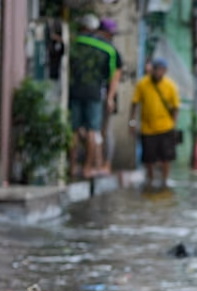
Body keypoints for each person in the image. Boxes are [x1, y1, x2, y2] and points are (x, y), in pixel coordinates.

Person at [69, 14, 122, 178]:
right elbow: (114, 75)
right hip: (94, 93)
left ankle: (72, 167)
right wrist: (110, 97)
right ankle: (87, 168)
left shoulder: (74, 41)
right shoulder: (108, 48)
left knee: (73, 129)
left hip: (74, 90)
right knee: (93, 130)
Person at [130, 58, 181, 189]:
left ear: (164, 71)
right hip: (147, 128)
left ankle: (165, 181)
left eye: (160, 70)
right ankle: (150, 179)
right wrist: (132, 122)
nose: (158, 72)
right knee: (148, 158)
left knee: (166, 157)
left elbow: (176, 107)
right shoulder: (142, 84)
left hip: (166, 127)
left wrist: (174, 125)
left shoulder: (170, 86)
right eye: (155, 69)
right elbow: (134, 103)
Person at [96, 18, 123, 175]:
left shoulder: (112, 51)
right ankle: (98, 162)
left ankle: (106, 163)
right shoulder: (96, 48)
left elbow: (116, 76)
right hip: (94, 94)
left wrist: (110, 98)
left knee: (105, 131)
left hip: (106, 96)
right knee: (95, 130)